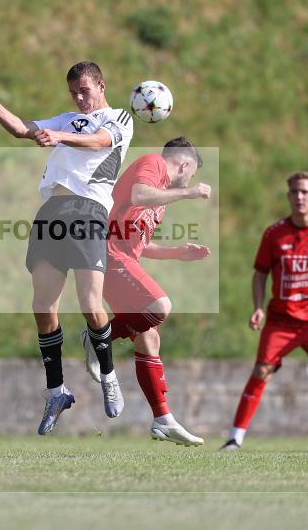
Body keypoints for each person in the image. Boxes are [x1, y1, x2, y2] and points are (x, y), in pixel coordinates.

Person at [0, 61, 133, 434]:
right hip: (52, 211)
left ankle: (108, 374)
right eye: (74, 92)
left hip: (89, 210)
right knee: (43, 307)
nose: (79, 98)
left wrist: (58, 138)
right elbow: (24, 129)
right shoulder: (66, 118)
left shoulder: (118, 117)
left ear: (101, 85)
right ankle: (57, 390)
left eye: (85, 91)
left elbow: (99, 142)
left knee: (91, 305)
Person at [221, 172, 308, 452]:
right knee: (261, 370)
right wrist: (257, 308)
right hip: (281, 320)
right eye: (295, 192)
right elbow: (260, 273)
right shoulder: (274, 234)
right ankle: (235, 438)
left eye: (305, 192)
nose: (300, 197)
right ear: (288, 197)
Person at [100, 137, 212, 446]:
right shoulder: (153, 164)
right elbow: (138, 193)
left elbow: (140, 243)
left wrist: (178, 252)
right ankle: (100, 336)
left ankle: (163, 419)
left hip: (122, 257)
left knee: (149, 338)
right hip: (107, 253)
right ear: (184, 165)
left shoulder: (160, 199)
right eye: (190, 175)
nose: (189, 180)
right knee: (159, 306)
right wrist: (188, 192)